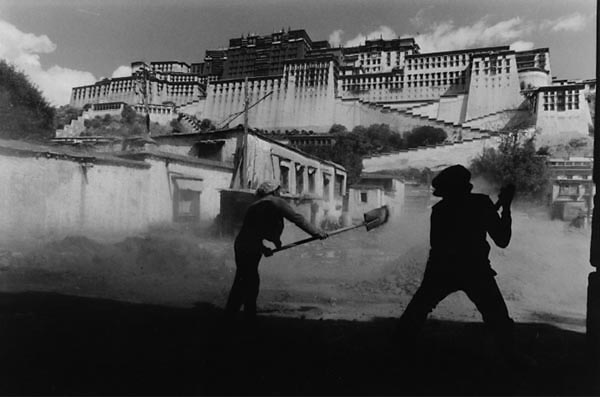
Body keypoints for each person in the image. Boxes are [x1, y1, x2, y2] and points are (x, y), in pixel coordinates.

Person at [396, 165, 518, 360]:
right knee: (498, 320)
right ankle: (510, 359)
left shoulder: (440, 210)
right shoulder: (481, 204)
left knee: (415, 314)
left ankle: (396, 356)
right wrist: (506, 208)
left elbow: (439, 244)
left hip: (442, 269)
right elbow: (502, 240)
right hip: (475, 270)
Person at [225, 180, 328, 321]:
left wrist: (264, 247)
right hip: (250, 245)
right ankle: (241, 317)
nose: (280, 193)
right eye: (278, 190)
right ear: (273, 192)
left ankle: (235, 315)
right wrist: (316, 232)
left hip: (242, 245)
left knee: (244, 280)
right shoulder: (275, 202)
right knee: (249, 281)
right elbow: (297, 219)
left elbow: (252, 232)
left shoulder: (255, 206)